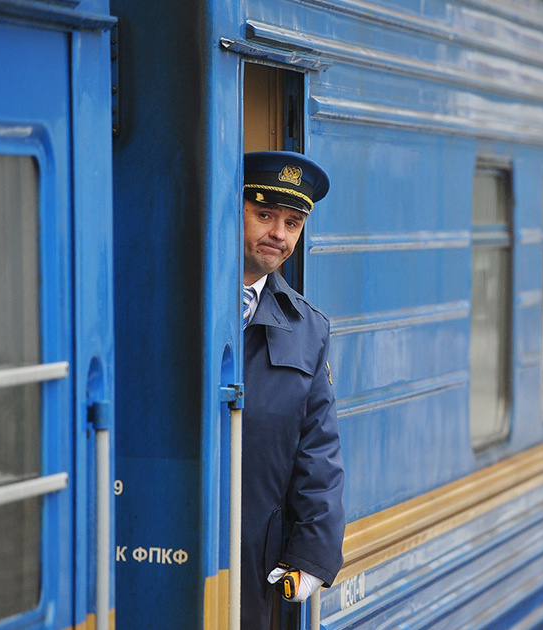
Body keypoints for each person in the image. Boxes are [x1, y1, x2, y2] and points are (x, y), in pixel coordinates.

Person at [239, 151, 345, 629]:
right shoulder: (171, 296)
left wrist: (312, 554)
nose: (279, 235)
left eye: (293, 223)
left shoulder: (307, 329)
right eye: (264, 214)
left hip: (255, 567)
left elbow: (318, 452)